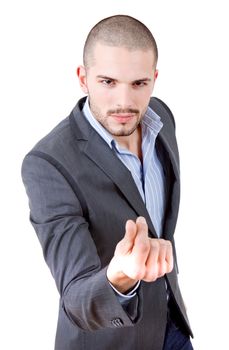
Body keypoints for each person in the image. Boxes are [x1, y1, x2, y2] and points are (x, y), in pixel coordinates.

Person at [21, 14, 194, 350]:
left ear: (154, 79)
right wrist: (120, 276)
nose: (125, 103)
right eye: (108, 82)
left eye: (139, 84)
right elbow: (75, 298)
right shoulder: (48, 164)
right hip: (113, 341)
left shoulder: (162, 119)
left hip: (172, 326)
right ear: (83, 79)